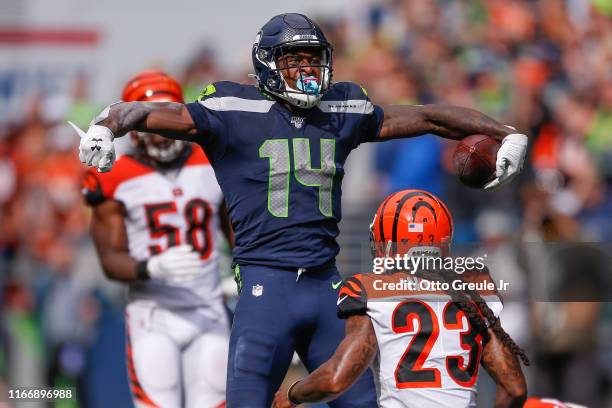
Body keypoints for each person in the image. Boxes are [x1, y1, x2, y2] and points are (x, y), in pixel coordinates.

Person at [71, 13, 528, 407]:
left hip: (325, 285)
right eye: (295, 59)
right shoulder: (232, 108)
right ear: (267, 63)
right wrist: (105, 128)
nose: (307, 68)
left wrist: (503, 131)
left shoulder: (341, 107)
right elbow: (142, 112)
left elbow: (428, 117)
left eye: (313, 58)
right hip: (264, 288)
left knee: (360, 402)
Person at [273, 189, 528, 408]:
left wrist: (292, 393)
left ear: (389, 242)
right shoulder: (471, 290)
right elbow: (514, 388)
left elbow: (336, 378)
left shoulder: (370, 289)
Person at [79, 70, 232, 408]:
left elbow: (238, 234)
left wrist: (243, 278)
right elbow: (110, 260)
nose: (161, 137)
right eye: (149, 123)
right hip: (153, 313)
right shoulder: (115, 174)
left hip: (208, 308)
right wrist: (151, 267)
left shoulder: (213, 163)